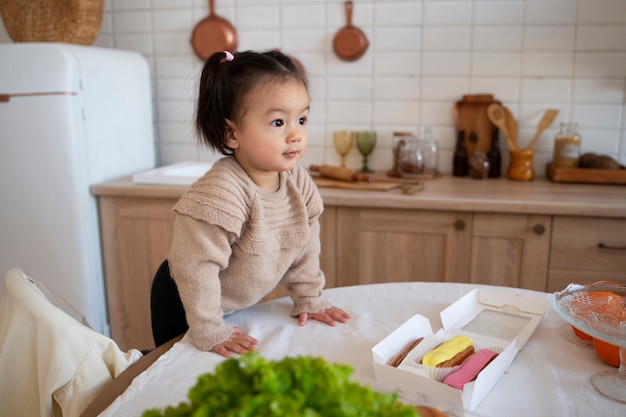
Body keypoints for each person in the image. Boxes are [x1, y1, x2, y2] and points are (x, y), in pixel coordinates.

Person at [167, 50, 350, 358]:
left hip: (232, 309)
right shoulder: (222, 192)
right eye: (278, 122)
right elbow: (195, 268)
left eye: (302, 119)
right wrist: (209, 329)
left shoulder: (296, 180)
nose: (296, 135)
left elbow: (305, 244)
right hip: (188, 305)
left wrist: (309, 297)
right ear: (231, 133)